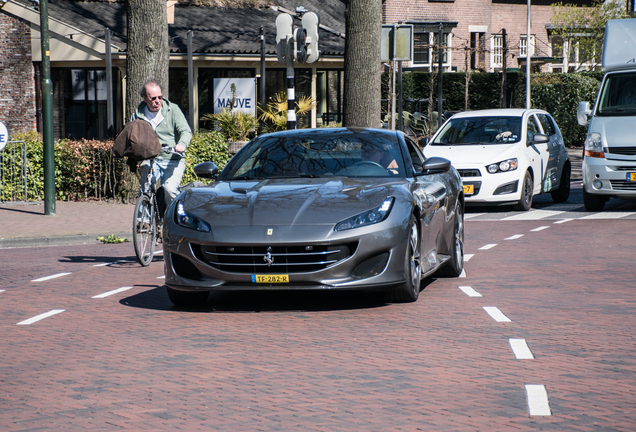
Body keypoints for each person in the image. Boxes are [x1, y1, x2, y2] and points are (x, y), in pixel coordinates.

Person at [132, 79, 192, 207]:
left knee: (169, 190)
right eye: (153, 98)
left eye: (160, 97)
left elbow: (186, 131)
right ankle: (144, 222)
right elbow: (132, 135)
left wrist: (181, 144)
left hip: (172, 158)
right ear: (144, 98)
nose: (157, 101)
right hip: (151, 158)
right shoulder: (138, 115)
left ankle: (171, 220)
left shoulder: (172, 110)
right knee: (145, 188)